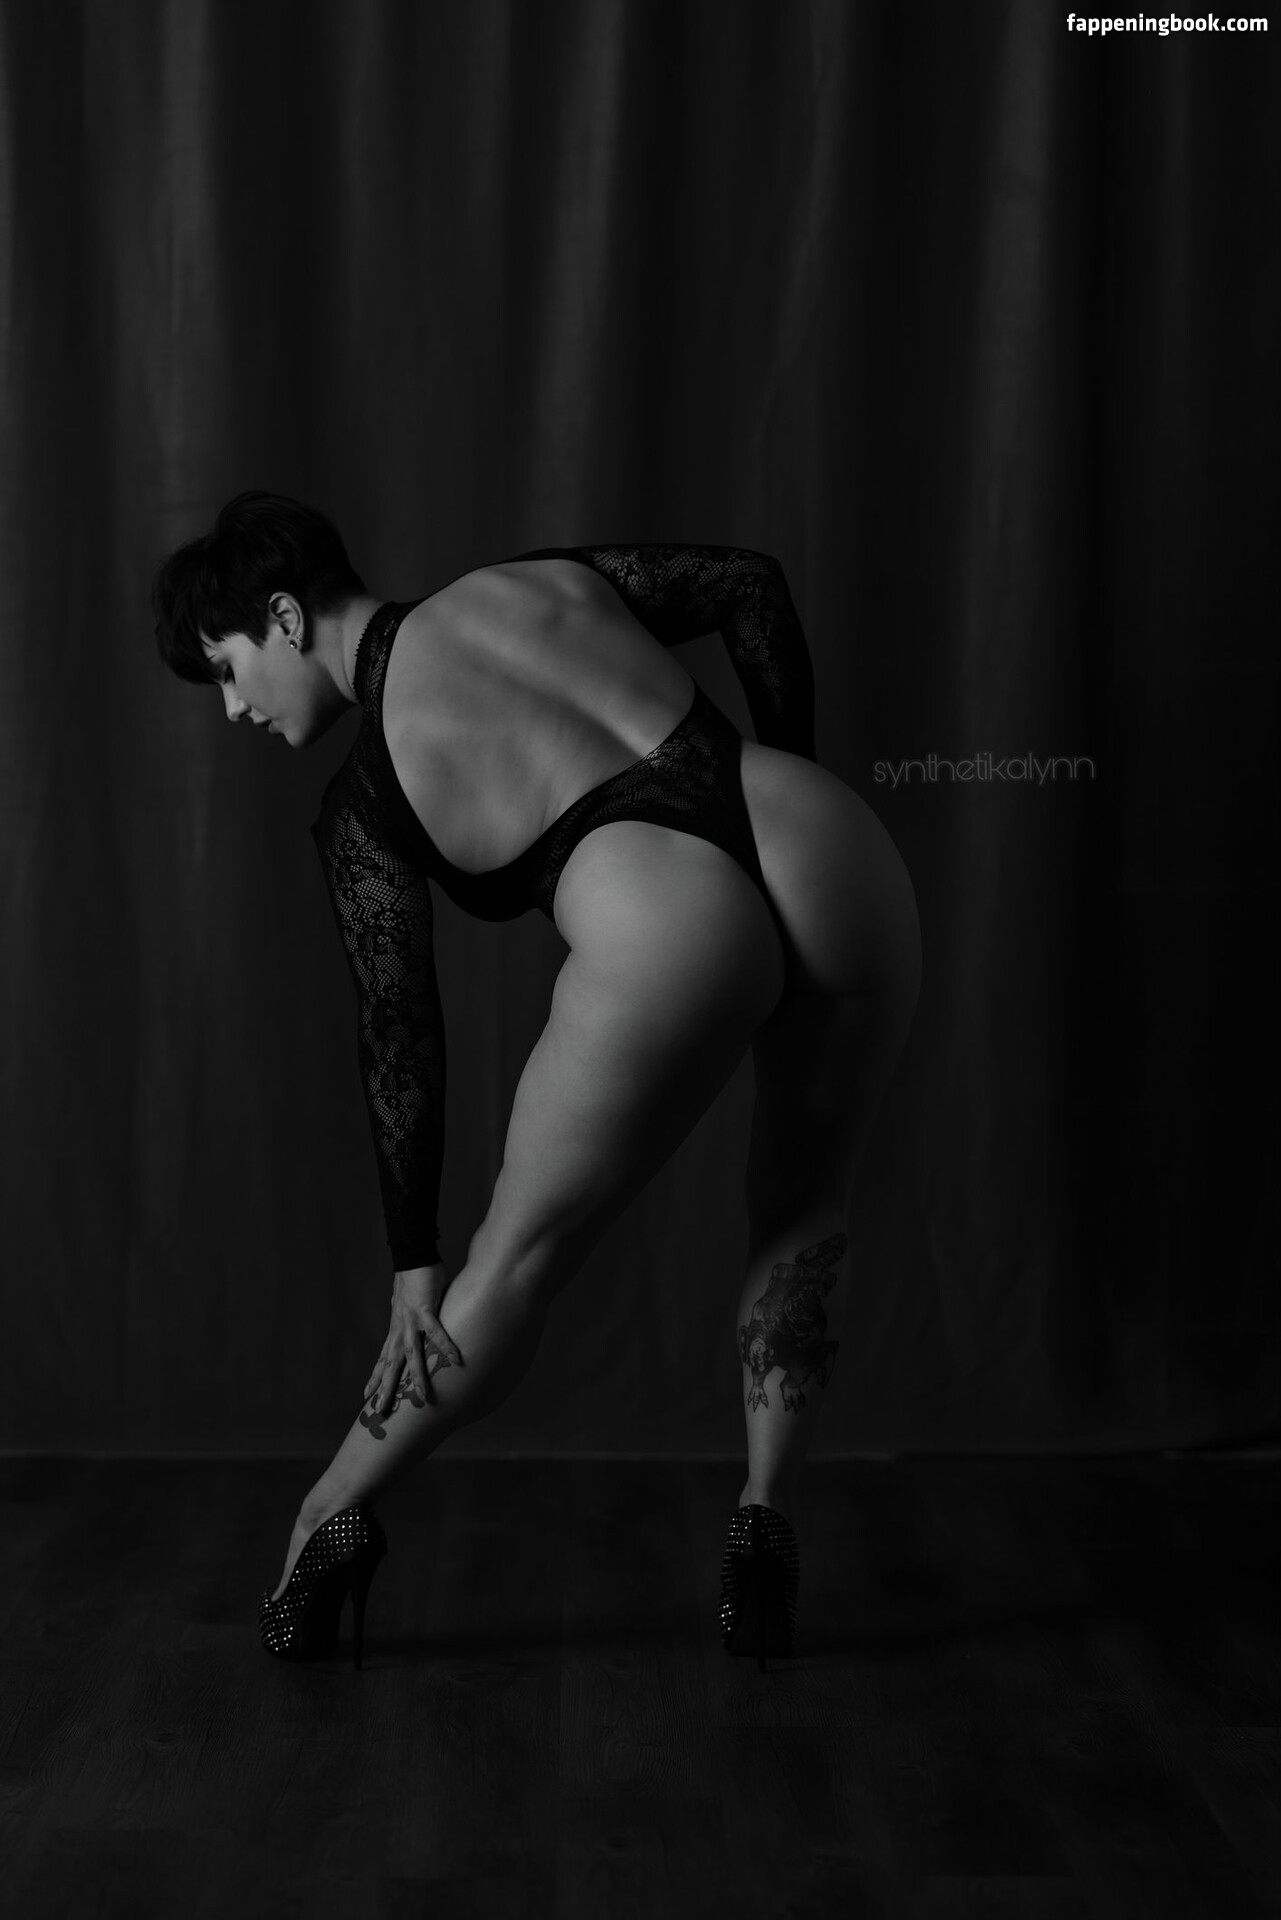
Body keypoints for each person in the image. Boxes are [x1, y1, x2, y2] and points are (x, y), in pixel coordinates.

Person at [153, 490, 921, 1672]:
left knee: (513, 1265)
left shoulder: (366, 802)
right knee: (804, 1206)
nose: (233, 705)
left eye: (226, 667)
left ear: (287, 618)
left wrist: (416, 1265)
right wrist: (787, 769)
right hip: (821, 840)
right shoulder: (537, 582)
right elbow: (751, 587)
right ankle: (766, 1512)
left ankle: (328, 1516)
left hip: (664, 924)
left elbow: (401, 1033)